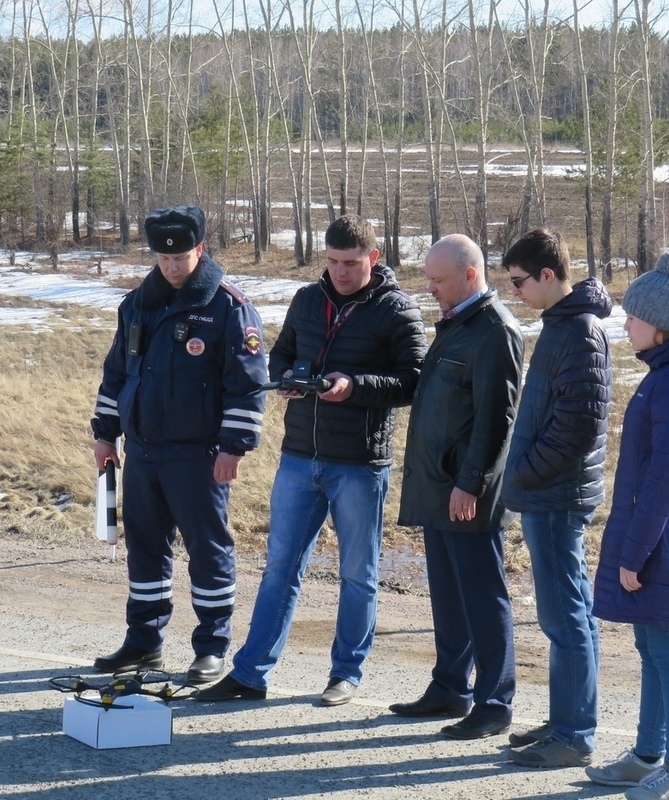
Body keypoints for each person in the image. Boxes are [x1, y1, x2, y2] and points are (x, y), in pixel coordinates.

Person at [195, 214, 428, 707]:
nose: (340, 273)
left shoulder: (397, 309)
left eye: (350, 264)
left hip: (360, 463)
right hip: (300, 456)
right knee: (279, 567)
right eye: (332, 262)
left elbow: (414, 381)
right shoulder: (307, 299)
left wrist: (355, 387)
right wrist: (285, 379)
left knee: (358, 573)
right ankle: (250, 674)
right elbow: (278, 356)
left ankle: (346, 674)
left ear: (374, 258)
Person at [89, 206, 268, 682]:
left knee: (208, 550)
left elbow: (247, 385)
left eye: (181, 257)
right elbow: (117, 375)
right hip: (143, 453)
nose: (171, 266)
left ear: (200, 250)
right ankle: (144, 642)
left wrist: (235, 446)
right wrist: (105, 435)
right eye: (164, 258)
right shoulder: (135, 305)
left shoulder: (228, 307)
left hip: (200, 456)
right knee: (145, 549)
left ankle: (211, 645)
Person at [585, 249, 669, 800]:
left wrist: (635, 554)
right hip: (655, 534)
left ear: (660, 323)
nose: (625, 323)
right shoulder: (666, 375)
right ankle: (647, 756)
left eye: (633, 316)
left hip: (664, 539)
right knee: (651, 647)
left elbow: (665, 478)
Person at [390, 233, 524, 740]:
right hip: (439, 485)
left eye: (439, 280)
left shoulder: (495, 331)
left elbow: (496, 419)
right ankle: (450, 687)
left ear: (470, 276)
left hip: (469, 491)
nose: (430, 289)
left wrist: (470, 483)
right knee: (448, 596)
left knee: (483, 598)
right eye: (428, 279)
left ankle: (493, 701)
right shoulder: (456, 324)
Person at [499, 229, 613, 768]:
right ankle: (566, 717)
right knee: (571, 616)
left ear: (548, 275)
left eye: (520, 281)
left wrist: (524, 471)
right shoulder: (562, 326)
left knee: (565, 618)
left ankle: (573, 736)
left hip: (557, 496)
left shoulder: (580, 333)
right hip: (550, 493)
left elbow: (577, 428)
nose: (515, 291)